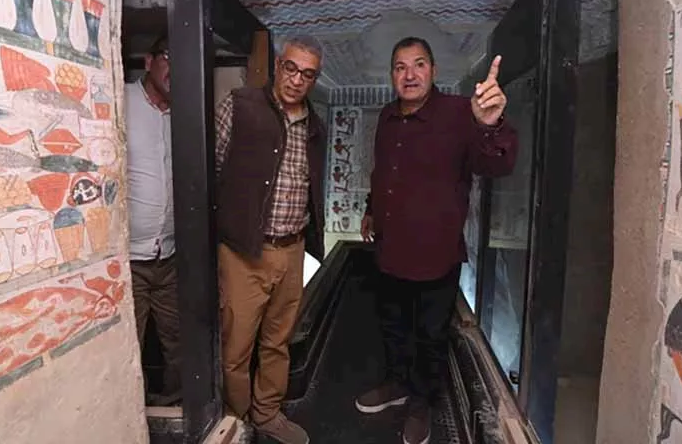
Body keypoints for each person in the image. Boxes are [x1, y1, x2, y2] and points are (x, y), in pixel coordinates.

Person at [355, 37, 518, 444]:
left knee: (430, 336)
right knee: (392, 325)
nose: (409, 75)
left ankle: (422, 402)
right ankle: (397, 383)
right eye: (400, 67)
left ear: (434, 71)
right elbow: (383, 170)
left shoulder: (461, 113)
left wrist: (491, 125)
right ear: (392, 75)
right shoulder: (387, 116)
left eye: (419, 64)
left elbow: (496, 165)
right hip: (390, 248)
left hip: (436, 254)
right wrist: (372, 208)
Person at [214, 35, 327, 444]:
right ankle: (236, 420)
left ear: (314, 79)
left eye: (308, 74)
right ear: (279, 66)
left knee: (278, 342)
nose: (297, 80)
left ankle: (267, 414)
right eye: (291, 68)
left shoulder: (315, 127)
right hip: (244, 251)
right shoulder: (240, 105)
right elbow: (209, 172)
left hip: (291, 251)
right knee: (236, 347)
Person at [125, 34, 181, 405]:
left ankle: (177, 406)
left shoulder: (186, 112)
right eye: (168, 58)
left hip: (170, 257)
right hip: (127, 260)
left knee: (178, 339)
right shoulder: (121, 101)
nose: (176, 69)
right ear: (149, 61)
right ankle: (133, 418)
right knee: (128, 344)